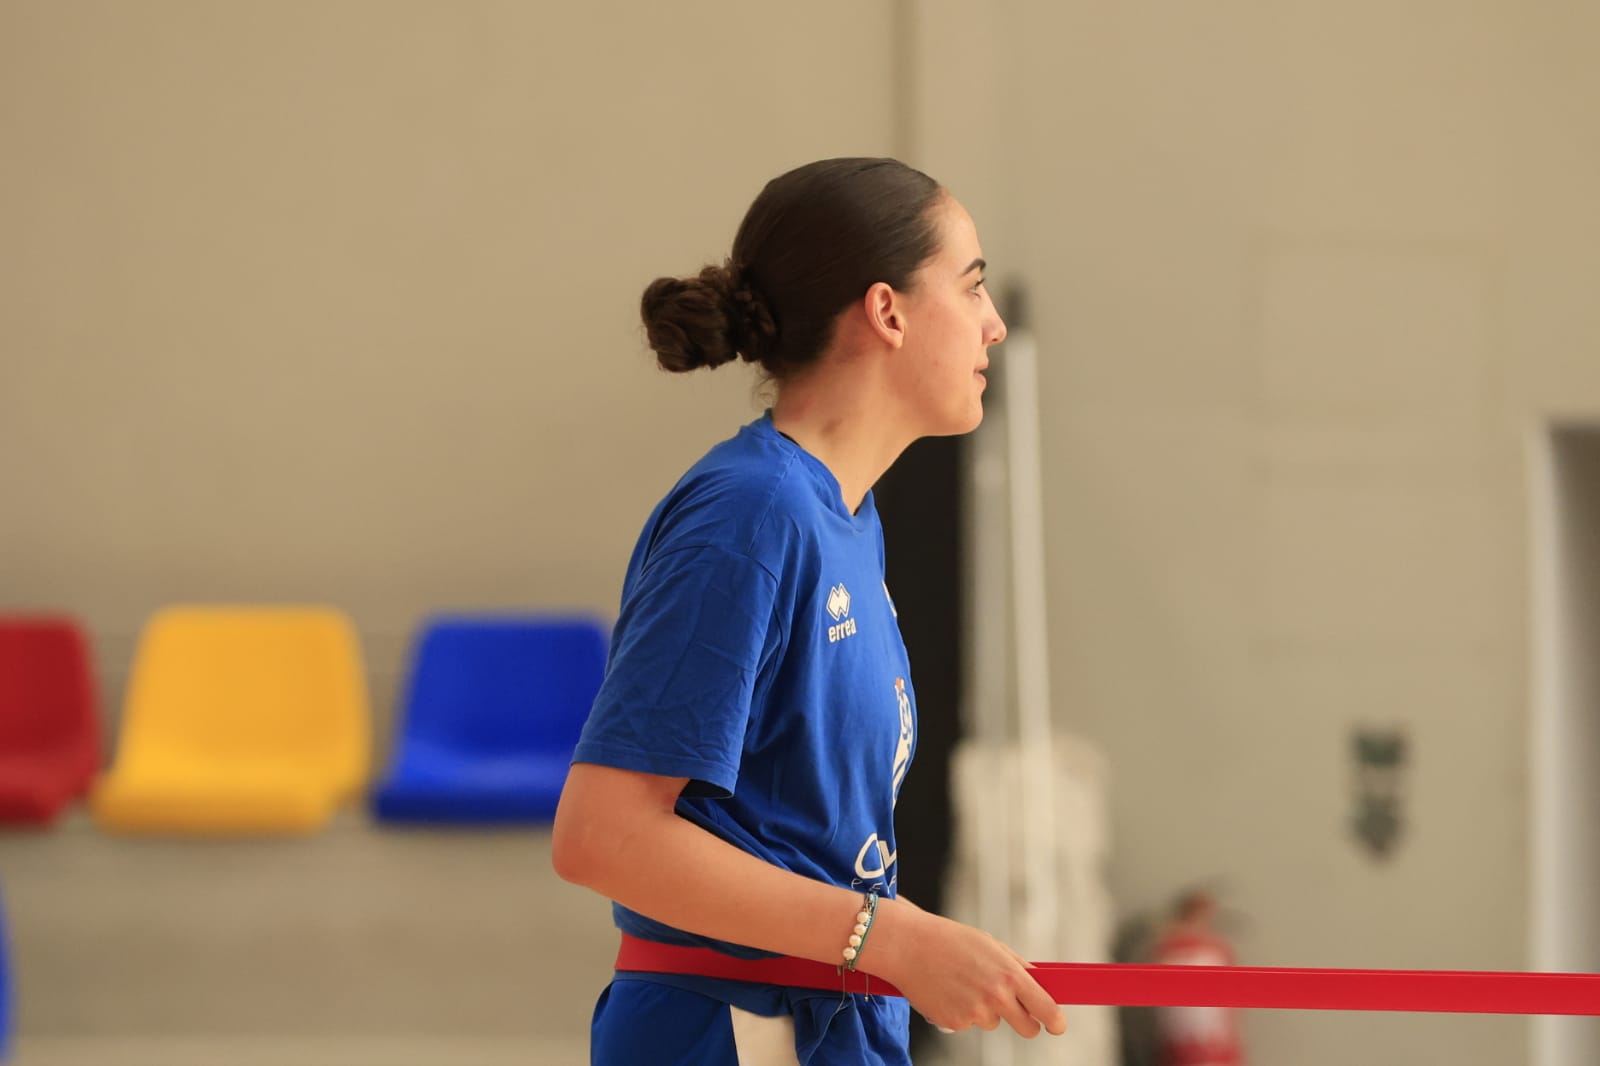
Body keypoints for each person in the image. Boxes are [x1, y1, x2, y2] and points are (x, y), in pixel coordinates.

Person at [552, 157, 1066, 1065]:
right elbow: (603, 836)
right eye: (971, 286)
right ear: (888, 312)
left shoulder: (845, 519)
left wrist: (903, 943)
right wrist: (892, 937)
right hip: (726, 1033)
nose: (992, 324)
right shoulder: (751, 514)